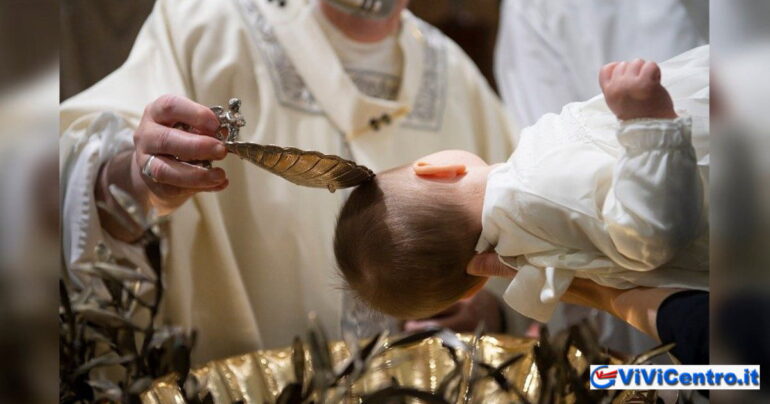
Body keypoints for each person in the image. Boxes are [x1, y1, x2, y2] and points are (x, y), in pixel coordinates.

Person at [60, 0, 517, 363]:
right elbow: (61, 181)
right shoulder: (205, 25)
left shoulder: (453, 71)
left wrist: (492, 312)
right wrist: (136, 181)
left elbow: (536, 251)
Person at [334, 47, 709, 322]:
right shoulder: (529, 190)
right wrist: (649, 123)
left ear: (475, 286)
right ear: (436, 168)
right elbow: (648, 233)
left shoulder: (529, 236)